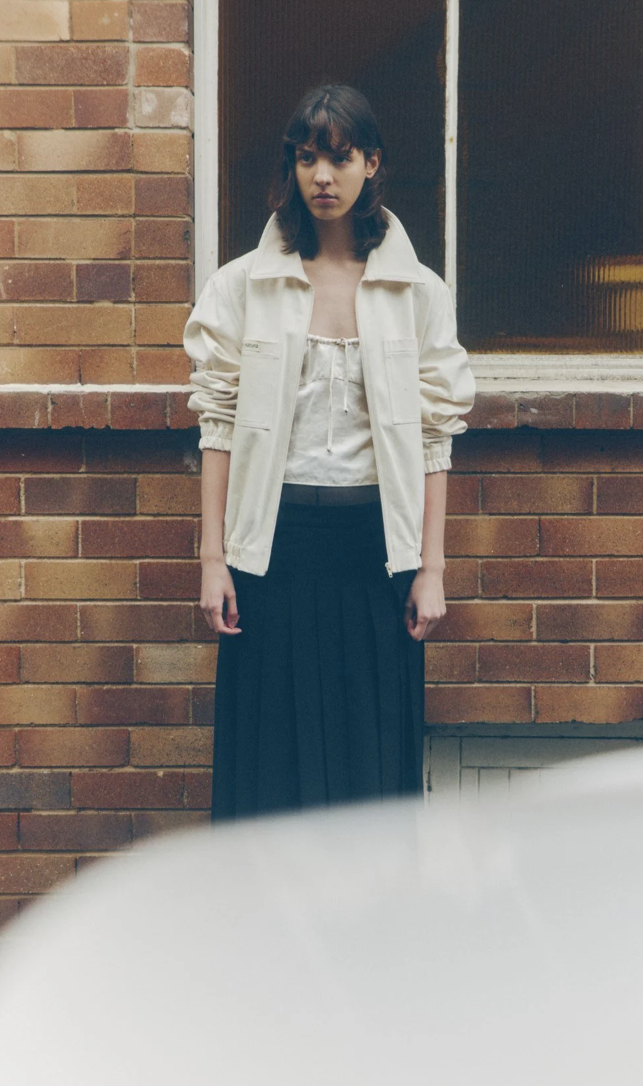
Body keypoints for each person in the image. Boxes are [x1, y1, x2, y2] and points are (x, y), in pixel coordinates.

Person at [183, 84, 476, 820]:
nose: (322, 176)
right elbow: (218, 425)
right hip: (272, 553)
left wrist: (431, 568)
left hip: (374, 557)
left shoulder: (417, 293)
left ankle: (366, 930)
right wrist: (213, 560)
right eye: (307, 158)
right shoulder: (244, 286)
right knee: (270, 771)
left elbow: (434, 434)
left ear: (372, 164)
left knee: (368, 769)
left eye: (340, 159)